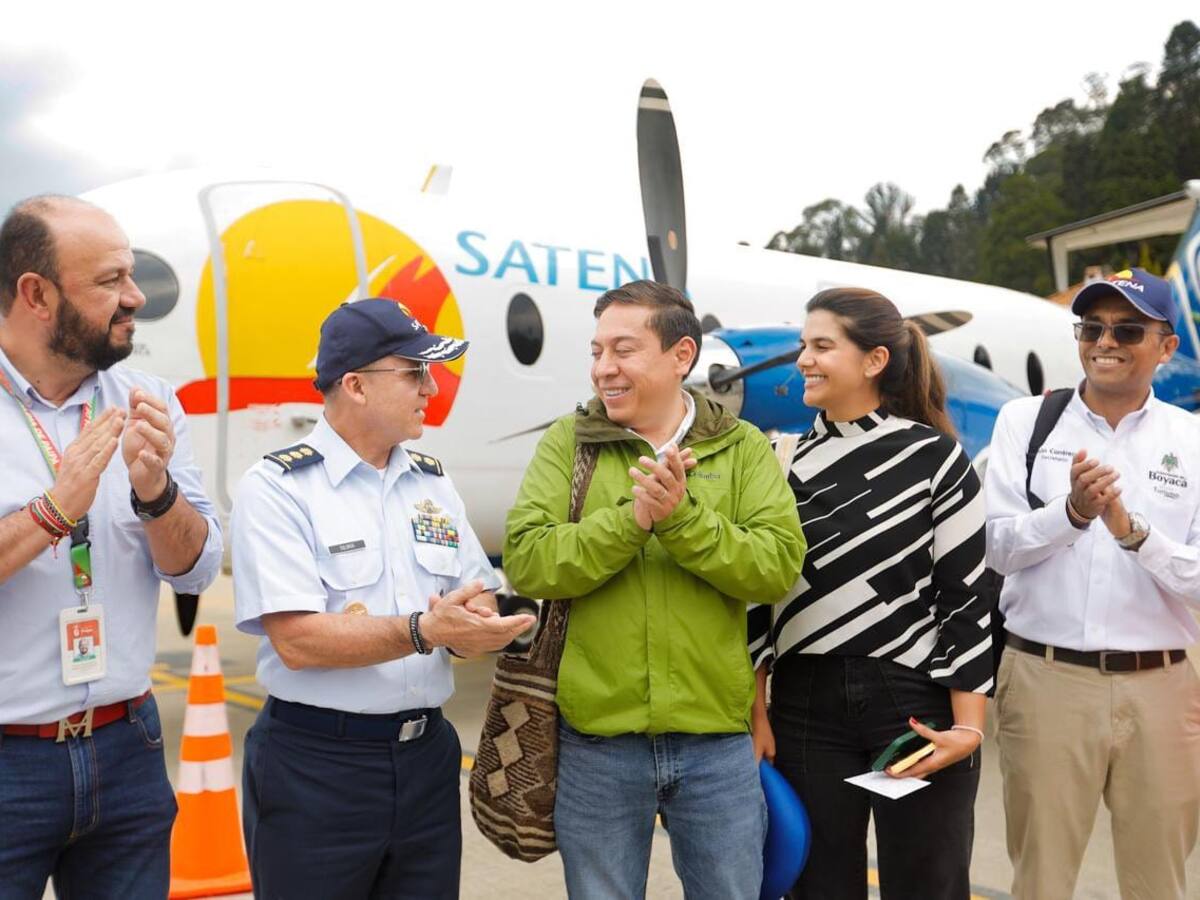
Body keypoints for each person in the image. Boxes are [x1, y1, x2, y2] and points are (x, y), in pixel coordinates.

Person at [504, 279, 806, 899]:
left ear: (682, 357)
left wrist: (683, 521)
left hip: (717, 748)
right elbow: (528, 562)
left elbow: (776, 567)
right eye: (596, 352)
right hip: (597, 746)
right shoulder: (569, 442)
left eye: (623, 350)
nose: (603, 370)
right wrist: (631, 521)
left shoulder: (743, 448)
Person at [232, 298, 535, 898]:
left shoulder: (431, 480)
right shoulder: (279, 487)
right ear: (356, 385)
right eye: (414, 372)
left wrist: (479, 624)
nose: (431, 387)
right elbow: (295, 639)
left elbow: (470, 593)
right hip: (318, 766)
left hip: (425, 760)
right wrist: (426, 631)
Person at [0, 195, 222, 897]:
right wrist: (53, 511)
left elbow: (197, 568)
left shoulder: (148, 399)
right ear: (36, 294)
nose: (135, 298)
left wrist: (156, 494)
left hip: (129, 750)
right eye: (110, 281)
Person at [748, 287, 991, 899]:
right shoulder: (778, 462)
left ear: (874, 360)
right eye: (803, 344)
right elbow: (753, 600)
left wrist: (967, 730)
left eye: (822, 345)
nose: (802, 358)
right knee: (816, 886)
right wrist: (756, 713)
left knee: (926, 885)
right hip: (803, 707)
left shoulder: (937, 458)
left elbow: (965, 596)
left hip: (914, 707)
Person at [985, 268, 1200, 899]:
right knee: (1041, 880)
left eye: (1128, 329)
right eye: (1092, 327)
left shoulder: (1191, 440)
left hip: (1162, 688)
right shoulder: (1025, 422)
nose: (1105, 341)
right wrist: (1072, 514)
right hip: (1047, 680)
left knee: (1158, 881)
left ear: (1166, 346)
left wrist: (1133, 534)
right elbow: (994, 549)